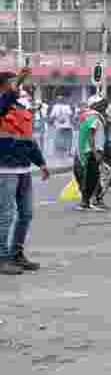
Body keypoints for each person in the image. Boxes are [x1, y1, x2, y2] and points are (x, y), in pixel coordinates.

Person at [0, 69, 50, 275]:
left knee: (26, 214)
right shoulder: (2, 105)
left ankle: (16, 254)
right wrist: (18, 81)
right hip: (4, 169)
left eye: (17, 83)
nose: (17, 87)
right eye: (13, 83)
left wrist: (42, 163)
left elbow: (28, 139)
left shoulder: (22, 108)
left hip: (23, 169)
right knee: (5, 215)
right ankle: (2, 258)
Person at [75, 94, 109, 212]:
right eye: (102, 103)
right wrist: (96, 152)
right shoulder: (94, 117)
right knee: (92, 178)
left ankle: (86, 202)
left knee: (90, 178)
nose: (105, 105)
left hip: (85, 151)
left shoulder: (87, 116)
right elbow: (91, 134)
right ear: (94, 105)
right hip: (91, 151)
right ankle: (91, 202)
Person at [49, 93, 75, 159]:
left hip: (59, 127)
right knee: (68, 139)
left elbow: (51, 117)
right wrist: (73, 123)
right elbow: (71, 115)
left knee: (58, 140)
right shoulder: (67, 106)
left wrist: (51, 123)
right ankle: (68, 152)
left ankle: (58, 153)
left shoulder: (55, 107)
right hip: (67, 126)